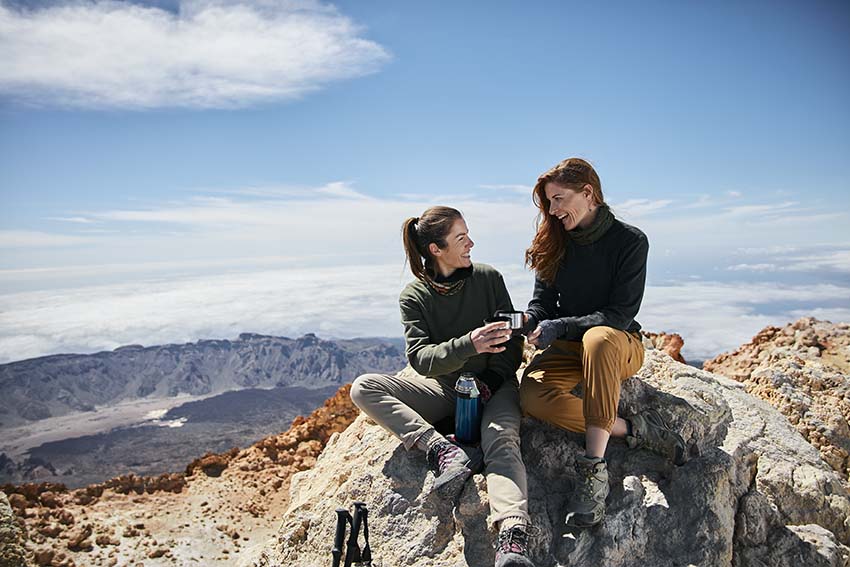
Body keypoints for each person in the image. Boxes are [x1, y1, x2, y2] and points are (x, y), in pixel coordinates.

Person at [351, 206, 536, 567]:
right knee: (364, 388)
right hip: (447, 391)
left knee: (501, 439)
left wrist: (490, 381)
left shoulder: (487, 278)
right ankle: (440, 449)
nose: (471, 243)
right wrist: (470, 343)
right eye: (461, 238)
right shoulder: (414, 296)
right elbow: (421, 359)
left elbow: (511, 345)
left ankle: (512, 539)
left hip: (496, 387)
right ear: (436, 249)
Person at [519, 157, 687, 529]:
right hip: (569, 348)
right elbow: (542, 304)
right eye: (548, 202)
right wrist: (529, 321)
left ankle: (593, 471)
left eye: (559, 199)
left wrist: (560, 326)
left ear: (589, 193)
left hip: (617, 343)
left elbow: (619, 314)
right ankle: (638, 430)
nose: (553, 210)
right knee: (531, 396)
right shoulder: (554, 241)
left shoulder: (630, 241)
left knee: (597, 339)